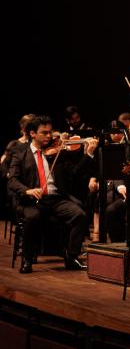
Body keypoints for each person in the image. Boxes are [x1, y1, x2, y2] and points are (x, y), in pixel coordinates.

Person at [8, 116, 99, 273]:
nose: (50, 137)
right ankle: (28, 259)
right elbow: (13, 181)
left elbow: (75, 173)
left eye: (50, 133)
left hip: (56, 199)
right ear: (32, 133)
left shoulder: (57, 153)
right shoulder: (20, 154)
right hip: (32, 200)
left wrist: (88, 154)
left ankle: (71, 257)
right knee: (32, 218)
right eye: (45, 133)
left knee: (80, 215)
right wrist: (27, 190)